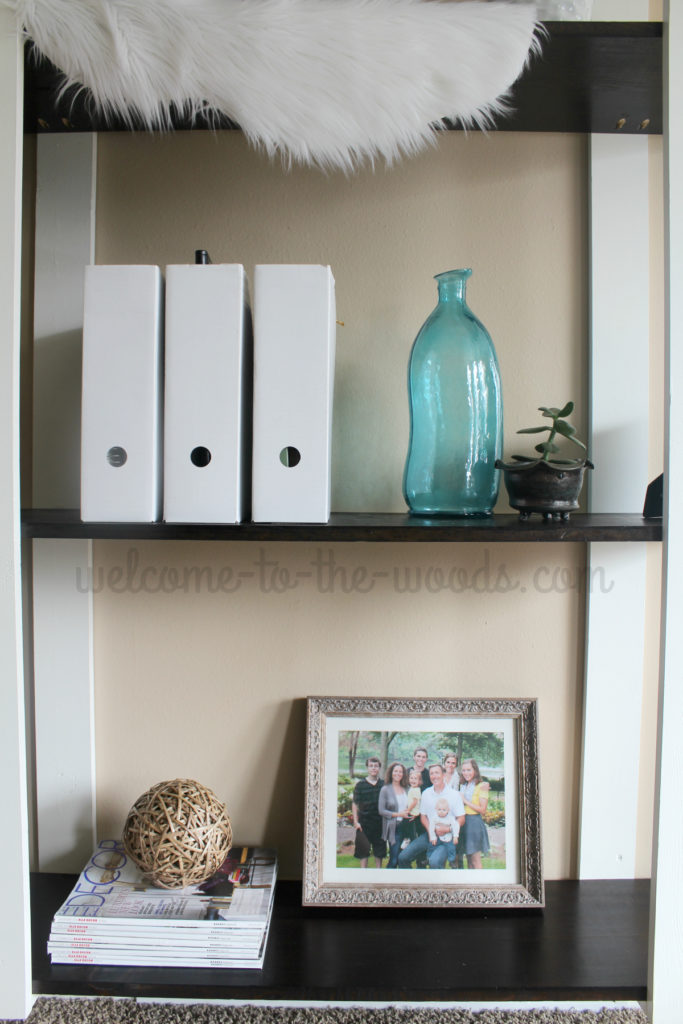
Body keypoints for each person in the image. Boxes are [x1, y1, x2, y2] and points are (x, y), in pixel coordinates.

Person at [398, 764, 465, 869]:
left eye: (437, 773)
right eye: (431, 773)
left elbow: (461, 818)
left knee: (434, 862)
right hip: (429, 834)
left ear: (443, 775)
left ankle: (438, 885)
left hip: (447, 838)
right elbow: (423, 816)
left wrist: (448, 829)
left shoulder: (454, 795)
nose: (434, 776)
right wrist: (431, 832)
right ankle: (412, 884)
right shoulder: (426, 793)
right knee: (403, 857)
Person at [352, 756, 386, 867]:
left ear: (379, 768)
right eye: (371, 766)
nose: (373, 768)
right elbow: (355, 804)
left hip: (379, 823)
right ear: (367, 768)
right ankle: (363, 875)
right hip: (364, 823)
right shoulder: (360, 785)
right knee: (363, 852)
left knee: (379, 852)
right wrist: (356, 822)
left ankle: (378, 874)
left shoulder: (383, 784)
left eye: (376, 766)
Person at [459, 758, 491, 869]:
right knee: (468, 859)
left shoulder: (481, 786)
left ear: (475, 770)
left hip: (474, 823)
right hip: (464, 823)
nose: (466, 773)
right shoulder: (464, 786)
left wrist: (465, 801)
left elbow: (483, 809)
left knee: (475, 860)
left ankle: (479, 884)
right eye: (464, 770)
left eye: (469, 770)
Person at [378, 762, 409, 868]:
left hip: (405, 827)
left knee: (403, 858)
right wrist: (398, 814)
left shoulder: (406, 788)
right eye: (396, 771)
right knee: (394, 858)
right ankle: (386, 881)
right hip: (394, 827)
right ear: (391, 773)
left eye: (400, 771)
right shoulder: (385, 789)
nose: (398, 773)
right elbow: (381, 810)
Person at [427, 796, 458, 865]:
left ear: (448, 810)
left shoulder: (450, 818)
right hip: (438, 838)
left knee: (451, 848)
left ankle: (451, 860)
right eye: (439, 809)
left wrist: (455, 836)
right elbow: (431, 828)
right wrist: (433, 837)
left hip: (448, 838)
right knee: (431, 845)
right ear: (436, 809)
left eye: (444, 810)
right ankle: (428, 858)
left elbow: (455, 826)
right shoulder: (434, 818)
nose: (441, 812)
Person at [400, 768, 423, 848]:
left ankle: (409, 840)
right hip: (411, 811)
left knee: (409, 827)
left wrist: (408, 810)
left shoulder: (416, 790)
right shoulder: (412, 789)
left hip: (412, 812)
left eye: (415, 779)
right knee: (407, 826)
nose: (413, 780)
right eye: (411, 778)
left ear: (419, 781)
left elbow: (415, 801)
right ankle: (408, 838)